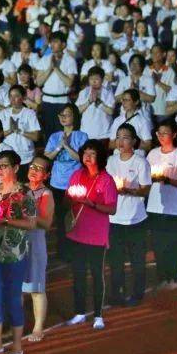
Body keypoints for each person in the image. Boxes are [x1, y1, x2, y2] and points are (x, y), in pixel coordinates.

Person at [0, 150, 36, 354]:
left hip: (14, 253)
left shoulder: (24, 193)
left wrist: (7, 222)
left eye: (4, 166)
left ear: (15, 168)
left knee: (13, 297)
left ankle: (17, 344)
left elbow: (30, 223)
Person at [64, 140, 117, 330]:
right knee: (78, 274)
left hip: (96, 234)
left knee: (96, 274)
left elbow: (112, 209)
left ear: (100, 157)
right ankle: (79, 312)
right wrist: (70, 198)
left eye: (92, 153)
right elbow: (67, 198)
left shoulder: (106, 180)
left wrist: (91, 204)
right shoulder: (76, 175)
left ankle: (98, 315)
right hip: (77, 232)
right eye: (85, 152)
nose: (87, 156)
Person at [106, 123, 151, 306]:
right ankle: (116, 294)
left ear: (133, 141)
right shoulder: (111, 161)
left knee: (137, 260)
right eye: (118, 137)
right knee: (115, 262)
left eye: (125, 137)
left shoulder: (141, 162)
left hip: (135, 219)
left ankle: (137, 294)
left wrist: (130, 191)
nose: (121, 141)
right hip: (114, 219)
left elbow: (145, 190)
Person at [146, 121, 177, 289]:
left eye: (165, 133)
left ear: (174, 135)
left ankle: (173, 278)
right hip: (155, 206)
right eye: (159, 133)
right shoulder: (152, 154)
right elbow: (145, 176)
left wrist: (168, 180)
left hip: (173, 209)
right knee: (158, 245)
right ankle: (162, 277)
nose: (162, 136)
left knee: (172, 244)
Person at [43, 104, 87, 260]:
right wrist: (58, 148)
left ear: (74, 117)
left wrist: (67, 146)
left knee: (75, 217)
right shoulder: (54, 136)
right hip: (57, 183)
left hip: (74, 184)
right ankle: (62, 251)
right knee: (61, 218)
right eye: (61, 115)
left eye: (67, 115)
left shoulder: (81, 136)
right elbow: (46, 157)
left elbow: (81, 158)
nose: (63, 118)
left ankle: (76, 250)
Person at [21, 155, 54, 341]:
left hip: (34, 243)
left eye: (39, 169)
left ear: (46, 175)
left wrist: (28, 214)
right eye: (32, 166)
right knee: (16, 289)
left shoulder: (45, 194)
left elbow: (47, 223)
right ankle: (18, 325)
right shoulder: (18, 188)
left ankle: (38, 327)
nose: (34, 170)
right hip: (16, 242)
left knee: (36, 287)